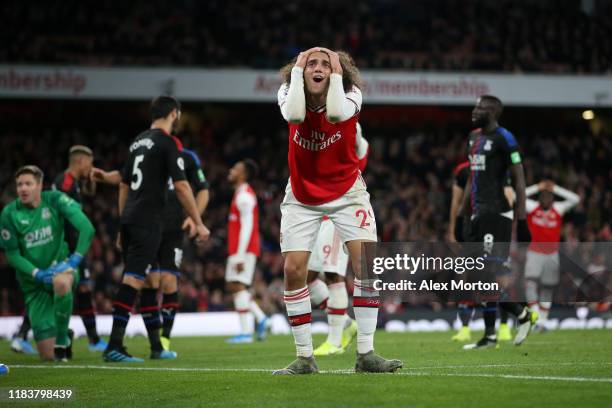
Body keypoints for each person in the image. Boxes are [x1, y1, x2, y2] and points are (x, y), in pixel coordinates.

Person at [274, 47, 402, 374]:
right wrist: (298, 72)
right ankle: (304, 357)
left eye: (325, 64)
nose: (317, 67)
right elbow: (295, 116)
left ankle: (366, 354)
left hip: (347, 191)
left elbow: (333, 114)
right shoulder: (288, 92)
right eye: (310, 63)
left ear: (339, 73)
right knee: (293, 270)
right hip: (302, 195)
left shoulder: (352, 94)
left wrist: (334, 74)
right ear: (300, 70)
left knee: (366, 264)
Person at [102, 95, 209, 362]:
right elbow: (183, 186)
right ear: (174, 113)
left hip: (132, 218)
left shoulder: (138, 141)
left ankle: (156, 348)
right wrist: (198, 222)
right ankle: (114, 345)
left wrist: (122, 221)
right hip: (149, 220)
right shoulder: (168, 142)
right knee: (134, 280)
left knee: (148, 281)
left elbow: (124, 184)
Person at [456, 95, 537, 350]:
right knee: (474, 277)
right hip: (478, 215)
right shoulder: (472, 138)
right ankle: (490, 335)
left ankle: (522, 314)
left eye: (479, 107)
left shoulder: (505, 138)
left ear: (492, 111)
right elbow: (471, 178)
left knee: (485, 274)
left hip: (498, 215)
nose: (474, 110)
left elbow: (520, 182)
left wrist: (522, 220)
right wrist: (461, 214)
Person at [1, 165, 94, 361]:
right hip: (34, 285)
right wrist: (36, 273)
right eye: (19, 185)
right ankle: (64, 333)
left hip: (61, 269)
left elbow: (87, 228)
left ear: (40, 185)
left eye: (28, 183)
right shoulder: (9, 214)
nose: (23, 189)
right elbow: (12, 254)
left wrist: (75, 259)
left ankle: (61, 337)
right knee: (48, 356)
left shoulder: (55, 199)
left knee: (61, 282)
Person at [307, 123, 368, 356]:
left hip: (338, 209)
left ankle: (334, 341)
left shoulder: (350, 126)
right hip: (317, 212)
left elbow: (360, 151)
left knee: (333, 274)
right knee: (308, 278)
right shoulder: (318, 126)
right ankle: (344, 324)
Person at [449, 162, 515, 342]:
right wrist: (453, 228)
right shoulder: (463, 171)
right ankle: (464, 328)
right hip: (473, 230)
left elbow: (510, 197)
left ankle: (503, 326)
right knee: (464, 276)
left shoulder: (500, 169)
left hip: (495, 229)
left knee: (499, 279)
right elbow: (458, 201)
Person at [225, 159, 271, 344]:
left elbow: (247, 226)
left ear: (243, 175)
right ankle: (260, 319)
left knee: (238, 286)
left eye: (235, 168)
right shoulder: (240, 194)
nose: (231, 170)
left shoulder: (245, 196)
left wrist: (241, 254)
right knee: (235, 286)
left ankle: (246, 332)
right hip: (239, 249)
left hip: (243, 249)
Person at [525, 180, 579, 330]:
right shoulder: (533, 207)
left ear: (553, 199)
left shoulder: (558, 209)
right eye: (543, 197)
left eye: (549, 197)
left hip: (552, 254)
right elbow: (517, 196)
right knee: (530, 284)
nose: (546, 200)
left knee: (547, 288)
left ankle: (542, 323)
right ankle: (535, 315)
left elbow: (576, 199)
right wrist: (537, 187)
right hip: (534, 252)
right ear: (539, 199)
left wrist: (556, 188)